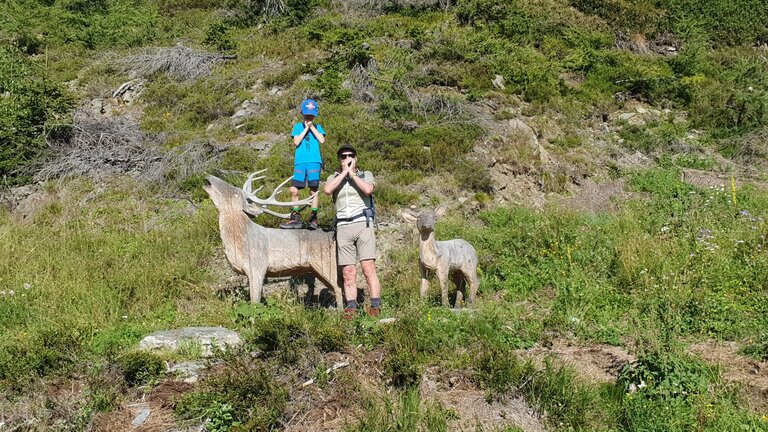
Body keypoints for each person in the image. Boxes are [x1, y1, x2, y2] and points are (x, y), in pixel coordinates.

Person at [323, 144, 382, 318]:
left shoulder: (365, 175)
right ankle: (351, 309)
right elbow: (327, 190)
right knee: (348, 272)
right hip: (342, 226)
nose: (347, 158)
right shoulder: (333, 177)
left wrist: (352, 174)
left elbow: (368, 189)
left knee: (368, 268)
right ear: (339, 160)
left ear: (355, 158)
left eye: (350, 155)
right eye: (343, 156)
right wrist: (344, 173)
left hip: (363, 224)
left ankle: (375, 306)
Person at [280, 99, 325, 230]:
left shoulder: (318, 127)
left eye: (311, 115)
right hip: (300, 162)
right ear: (302, 113)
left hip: (314, 162)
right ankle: (296, 216)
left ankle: (313, 217)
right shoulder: (297, 127)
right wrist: (306, 128)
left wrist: (312, 127)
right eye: (307, 115)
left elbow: (321, 140)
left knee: (313, 190)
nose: (309, 118)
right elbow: (296, 142)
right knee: (293, 189)